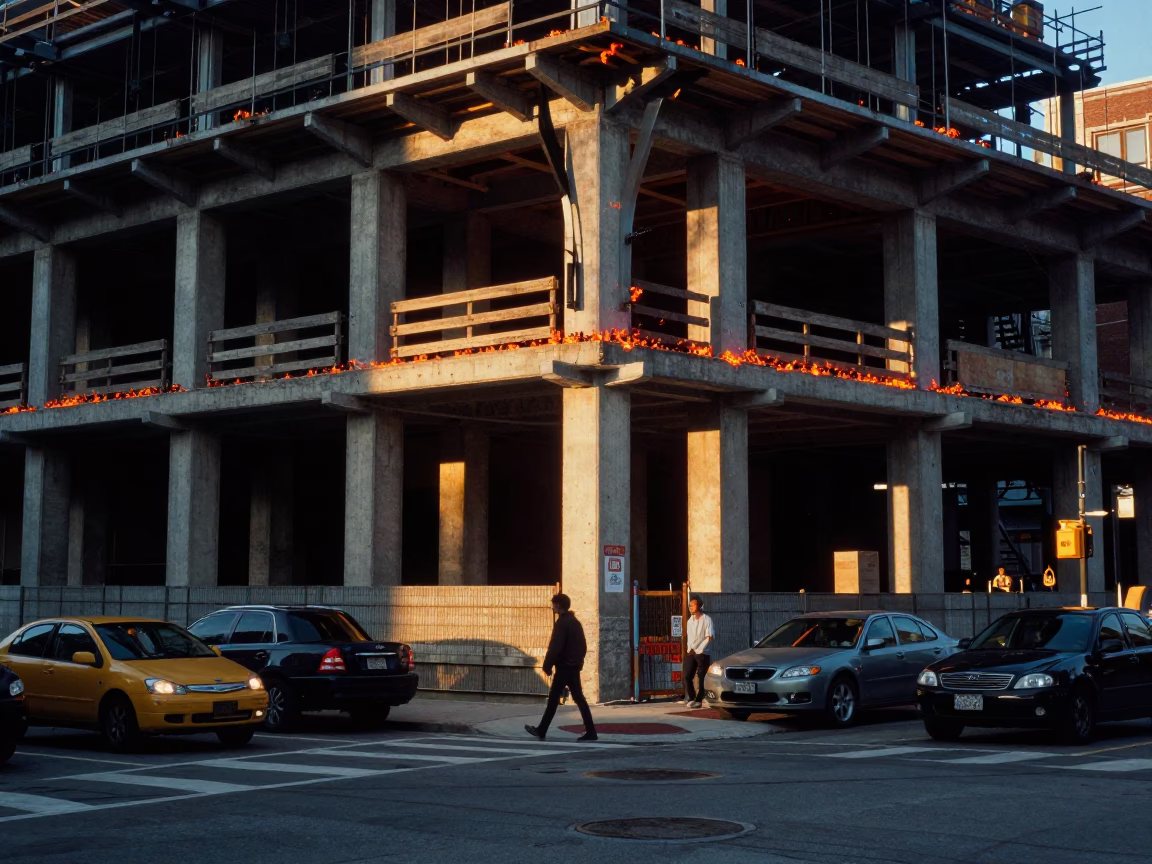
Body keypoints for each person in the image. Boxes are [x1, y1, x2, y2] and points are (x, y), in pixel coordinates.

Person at [525, 594, 598, 742]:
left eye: (554, 604)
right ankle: (590, 731)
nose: (552, 607)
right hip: (573, 666)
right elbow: (583, 646)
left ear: (558, 605)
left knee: (554, 699)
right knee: (578, 698)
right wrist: (578, 662)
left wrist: (547, 665)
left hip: (565, 667)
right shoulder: (575, 622)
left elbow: (555, 647)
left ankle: (542, 730)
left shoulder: (562, 623)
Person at [681, 595, 715, 709]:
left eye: (693, 604)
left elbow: (709, 637)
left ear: (699, 605)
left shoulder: (707, 619)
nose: (690, 607)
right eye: (689, 605)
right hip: (691, 652)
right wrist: (689, 648)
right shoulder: (690, 621)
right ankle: (691, 698)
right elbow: (689, 637)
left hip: (703, 652)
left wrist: (700, 649)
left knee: (702, 675)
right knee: (687, 675)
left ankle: (700, 699)